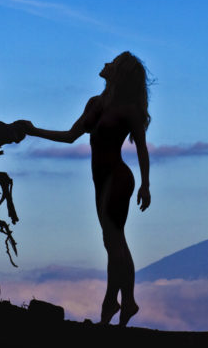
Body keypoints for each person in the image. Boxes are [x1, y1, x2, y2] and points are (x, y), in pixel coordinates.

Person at [16, 52, 151, 326]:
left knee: (114, 241)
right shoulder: (96, 103)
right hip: (99, 179)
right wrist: (33, 131)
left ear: (120, 72)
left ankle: (111, 304)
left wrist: (146, 185)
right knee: (114, 241)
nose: (105, 63)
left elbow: (142, 150)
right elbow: (70, 136)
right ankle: (128, 302)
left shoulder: (129, 110)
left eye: (112, 62)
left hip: (118, 179)